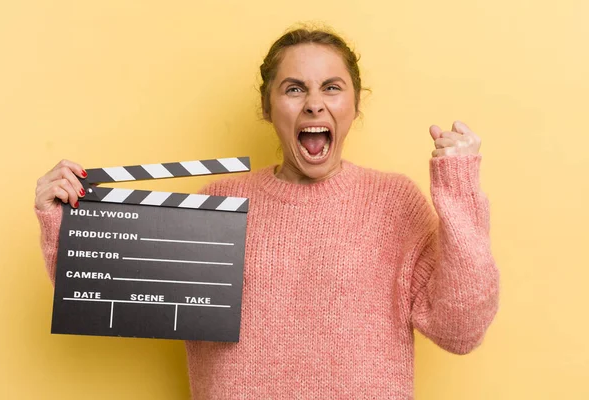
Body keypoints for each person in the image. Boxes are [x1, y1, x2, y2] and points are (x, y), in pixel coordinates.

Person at [34, 26, 499, 399]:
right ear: (268, 106)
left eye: (331, 88)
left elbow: (461, 328)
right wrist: (60, 217)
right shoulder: (219, 204)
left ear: (354, 103)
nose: (314, 102)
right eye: (294, 88)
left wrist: (458, 189)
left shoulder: (394, 202)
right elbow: (106, 291)